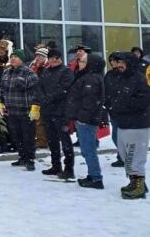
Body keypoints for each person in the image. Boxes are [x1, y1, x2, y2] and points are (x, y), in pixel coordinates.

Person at [105, 53, 150, 200]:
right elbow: (112, 96)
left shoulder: (139, 79)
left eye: (121, 62)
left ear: (129, 63)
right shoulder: (119, 78)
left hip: (137, 124)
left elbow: (143, 101)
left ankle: (139, 185)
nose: (118, 65)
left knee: (134, 155)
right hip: (123, 122)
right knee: (125, 154)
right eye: (116, 63)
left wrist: (122, 105)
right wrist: (112, 106)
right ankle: (134, 181)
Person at [65, 52, 106, 190]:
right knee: (87, 150)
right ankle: (92, 175)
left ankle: (96, 178)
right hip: (84, 119)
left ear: (90, 64)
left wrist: (82, 119)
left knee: (89, 150)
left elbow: (90, 102)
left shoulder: (91, 79)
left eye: (82, 62)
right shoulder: (87, 77)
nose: (79, 64)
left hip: (86, 121)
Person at [0, 49, 40, 171]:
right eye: (12, 57)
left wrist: (35, 108)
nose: (13, 59)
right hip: (11, 110)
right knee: (16, 136)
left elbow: (36, 93)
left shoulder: (29, 73)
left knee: (28, 136)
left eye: (16, 57)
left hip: (26, 111)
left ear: (22, 59)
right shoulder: (6, 73)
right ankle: (22, 157)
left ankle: (30, 159)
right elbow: (1, 90)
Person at [37, 47, 75, 179]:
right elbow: (39, 86)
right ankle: (55, 165)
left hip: (61, 110)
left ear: (60, 59)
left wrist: (50, 97)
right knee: (52, 140)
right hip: (47, 110)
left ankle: (69, 168)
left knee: (65, 141)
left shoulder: (67, 71)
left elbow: (65, 88)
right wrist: (42, 98)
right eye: (51, 58)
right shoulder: (46, 71)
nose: (53, 60)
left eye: (56, 58)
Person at [104, 54, 124, 168]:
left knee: (120, 135)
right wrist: (107, 103)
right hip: (112, 109)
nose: (113, 63)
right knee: (116, 135)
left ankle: (124, 157)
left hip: (123, 110)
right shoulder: (109, 74)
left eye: (114, 61)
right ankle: (122, 156)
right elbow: (106, 89)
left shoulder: (126, 74)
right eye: (111, 61)